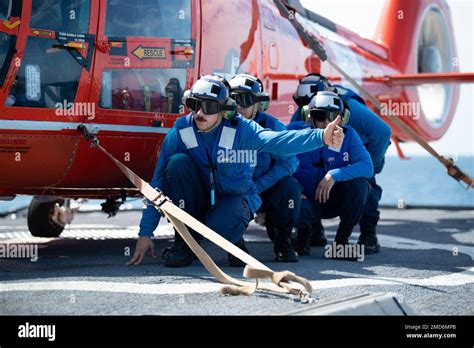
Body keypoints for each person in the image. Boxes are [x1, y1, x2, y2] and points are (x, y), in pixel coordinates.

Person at [128, 75, 344, 267]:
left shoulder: (242, 129)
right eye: (195, 104)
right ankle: (183, 245)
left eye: (209, 107)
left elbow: (278, 141)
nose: (200, 113)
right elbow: (157, 183)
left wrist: (320, 137)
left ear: (224, 110)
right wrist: (145, 232)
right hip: (197, 201)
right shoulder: (181, 131)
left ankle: (235, 239)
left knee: (220, 229)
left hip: (231, 200)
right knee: (177, 164)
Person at [290, 73, 391, 253]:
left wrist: (368, 167)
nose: (327, 123)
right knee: (289, 191)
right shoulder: (298, 123)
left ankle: (363, 234)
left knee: (362, 184)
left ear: (342, 116)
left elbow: (382, 133)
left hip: (348, 167)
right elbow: (275, 155)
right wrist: (292, 186)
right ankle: (310, 231)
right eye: (319, 115)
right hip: (311, 191)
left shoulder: (351, 120)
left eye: (333, 117)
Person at [229, 74, 300, 262]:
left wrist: (259, 186)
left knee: (290, 187)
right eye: (233, 99)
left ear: (258, 104)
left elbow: (289, 162)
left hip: (262, 188)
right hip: (231, 191)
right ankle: (234, 243)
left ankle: (283, 243)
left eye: (245, 100)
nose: (238, 106)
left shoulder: (271, 126)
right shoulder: (218, 125)